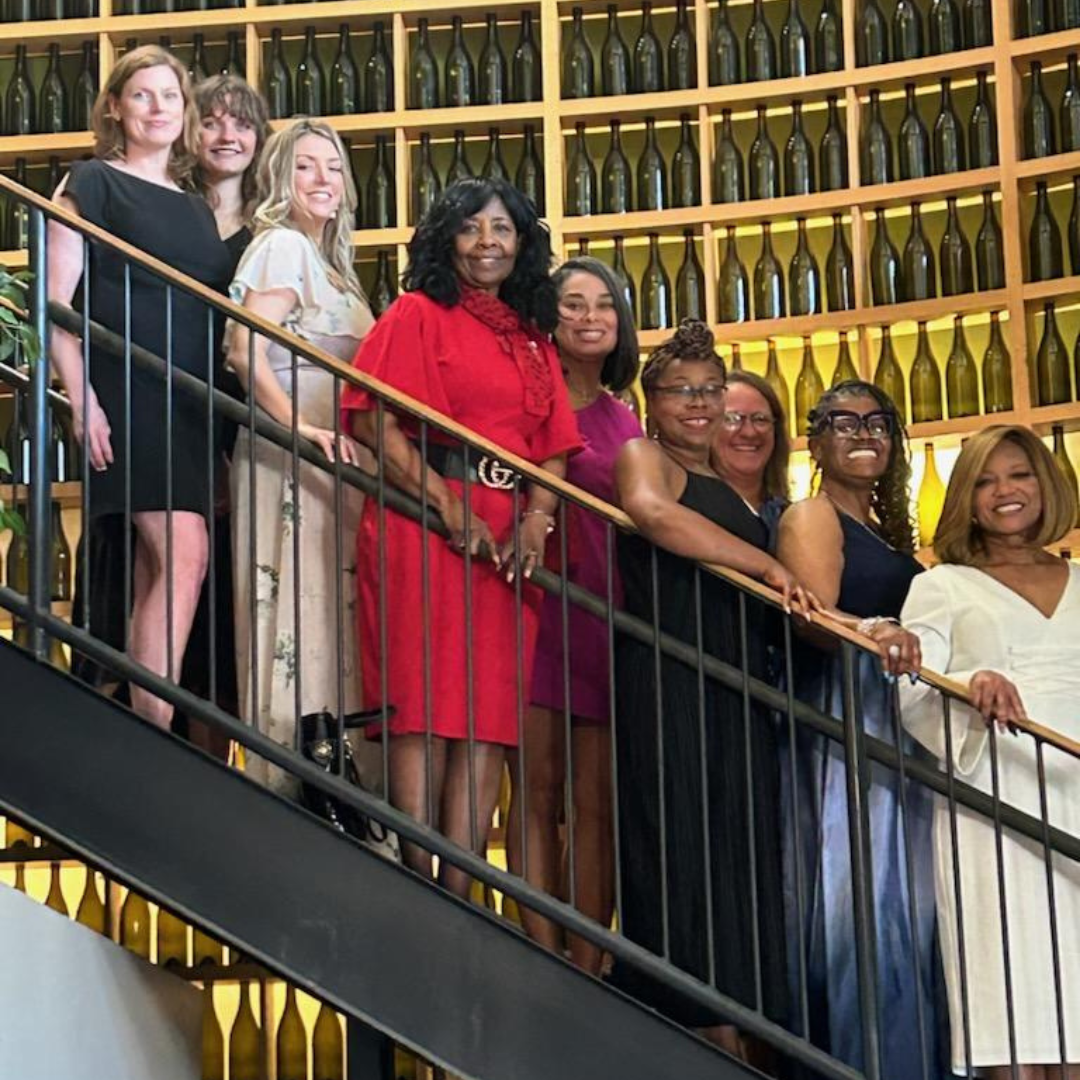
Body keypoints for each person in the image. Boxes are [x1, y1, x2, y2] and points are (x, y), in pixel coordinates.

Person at [343, 178, 581, 899]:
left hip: (509, 545)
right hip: (423, 528)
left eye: (502, 229)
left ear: (522, 243)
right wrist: (448, 507)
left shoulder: (534, 338)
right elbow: (371, 421)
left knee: (488, 719)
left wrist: (537, 520)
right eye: (472, 228)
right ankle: (421, 890)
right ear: (446, 238)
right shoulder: (417, 313)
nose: (487, 243)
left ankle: (465, 892)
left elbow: (555, 449)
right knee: (423, 710)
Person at [610, 319, 804, 1058]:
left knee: (737, 846)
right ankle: (698, 1034)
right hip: (669, 667)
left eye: (711, 390)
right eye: (681, 391)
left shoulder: (725, 479)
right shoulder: (644, 455)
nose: (699, 404)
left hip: (734, 677)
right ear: (650, 399)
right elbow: (652, 515)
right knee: (680, 836)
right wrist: (762, 567)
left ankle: (747, 1031)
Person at [47, 45, 235, 729]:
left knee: (170, 563)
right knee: (184, 552)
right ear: (116, 108)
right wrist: (82, 397)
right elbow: (56, 301)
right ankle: (153, 730)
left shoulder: (195, 207)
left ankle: (145, 722)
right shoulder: (92, 181)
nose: (158, 108)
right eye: (142, 95)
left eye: (170, 97)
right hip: (128, 388)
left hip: (187, 401)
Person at [900, 425, 1080, 1078]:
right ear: (966, 500)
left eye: (1020, 474)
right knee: (1010, 996)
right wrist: (969, 685)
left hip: (1078, 795)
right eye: (984, 480)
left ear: (1046, 484)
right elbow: (912, 692)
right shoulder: (942, 583)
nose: (1005, 491)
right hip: (995, 802)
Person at [776, 380, 944, 1079]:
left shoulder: (880, 525)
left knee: (908, 907)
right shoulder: (814, 514)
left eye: (877, 422)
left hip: (895, 717)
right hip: (848, 717)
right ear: (816, 440)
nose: (862, 432)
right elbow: (811, 618)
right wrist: (877, 630)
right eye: (842, 422)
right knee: (867, 906)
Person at [227, 118, 375, 794]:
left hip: (337, 464)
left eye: (334, 168)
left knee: (336, 620)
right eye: (307, 167)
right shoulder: (282, 245)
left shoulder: (337, 270)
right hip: (295, 453)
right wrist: (297, 430)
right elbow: (244, 349)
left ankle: (344, 793)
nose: (324, 181)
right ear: (279, 180)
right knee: (294, 612)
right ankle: (294, 788)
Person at [505, 256, 641, 973]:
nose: (590, 318)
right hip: (534, 605)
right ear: (547, 318)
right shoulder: (529, 398)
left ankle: (590, 964)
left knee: (598, 802)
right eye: (573, 305)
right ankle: (541, 953)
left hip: (607, 611)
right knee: (538, 789)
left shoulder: (628, 416)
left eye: (605, 305)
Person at [711, 369, 790, 540]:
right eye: (732, 419)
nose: (749, 432)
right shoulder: (690, 515)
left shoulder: (792, 519)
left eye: (760, 419)